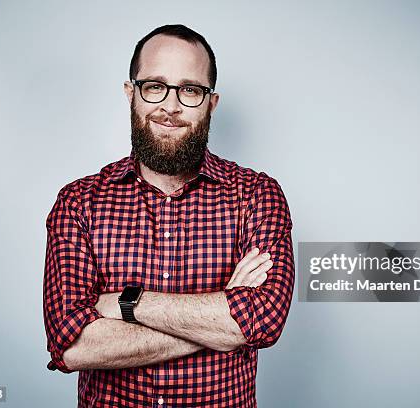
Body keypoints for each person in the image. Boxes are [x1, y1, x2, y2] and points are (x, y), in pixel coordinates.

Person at [43, 24, 294, 408]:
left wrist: (127, 303)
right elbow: (72, 345)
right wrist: (222, 317)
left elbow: (261, 321)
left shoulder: (257, 196)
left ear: (211, 103)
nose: (171, 106)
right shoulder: (79, 202)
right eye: (155, 86)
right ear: (132, 94)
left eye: (190, 90)